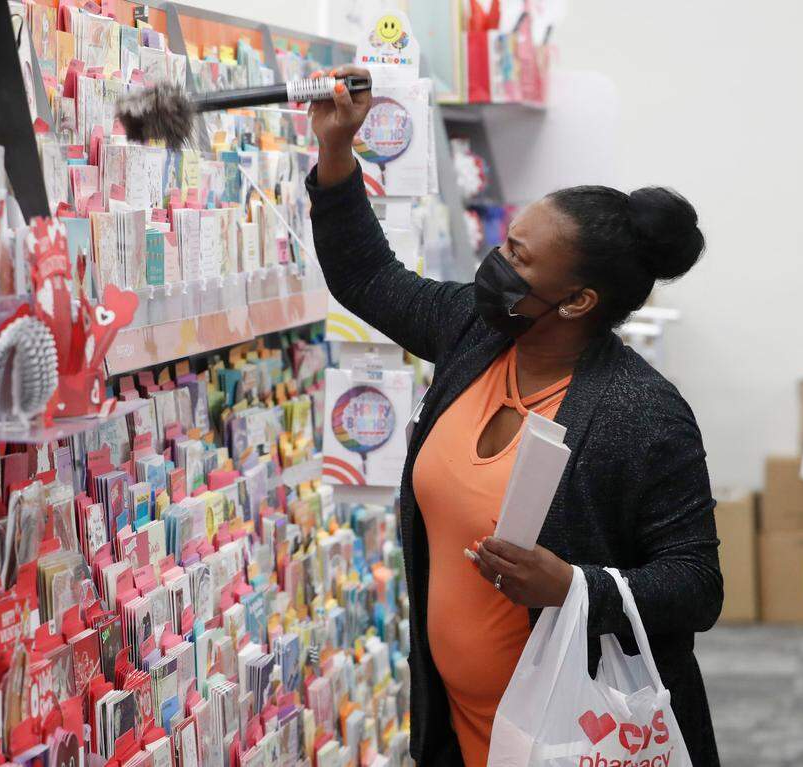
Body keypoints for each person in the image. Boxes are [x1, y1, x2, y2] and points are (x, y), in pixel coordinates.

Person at [307, 65, 723, 767]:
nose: (496, 261)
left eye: (518, 255)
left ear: (578, 300)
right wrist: (337, 151)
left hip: (577, 739)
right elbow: (368, 276)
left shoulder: (642, 412)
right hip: (459, 728)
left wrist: (572, 586)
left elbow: (696, 584)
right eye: (505, 239)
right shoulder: (477, 332)